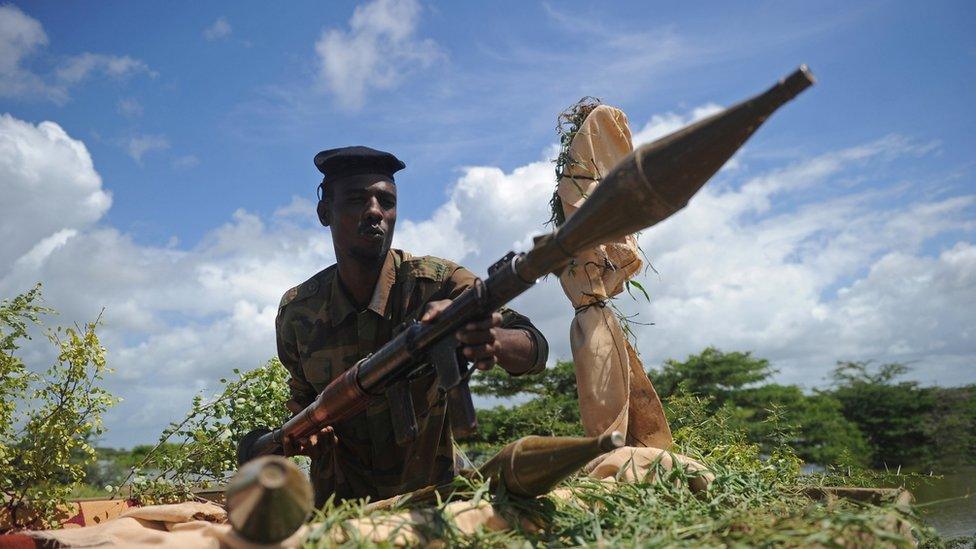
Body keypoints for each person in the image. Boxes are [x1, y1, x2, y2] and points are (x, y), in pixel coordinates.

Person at [276, 146, 549, 506]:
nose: (375, 211)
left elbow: (535, 348)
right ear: (325, 212)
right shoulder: (299, 311)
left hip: (434, 504)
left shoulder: (440, 283)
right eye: (358, 199)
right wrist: (307, 433)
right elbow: (301, 400)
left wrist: (492, 340)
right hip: (341, 514)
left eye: (386, 202)